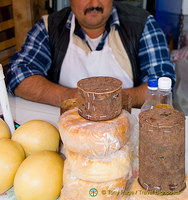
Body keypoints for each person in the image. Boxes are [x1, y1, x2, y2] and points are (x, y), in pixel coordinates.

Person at [6, 0, 175, 108]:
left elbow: (162, 84)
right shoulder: (49, 27)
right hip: (68, 127)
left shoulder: (142, 25)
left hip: (125, 129)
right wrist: (72, 97)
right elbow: (18, 76)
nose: (94, 3)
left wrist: (115, 100)